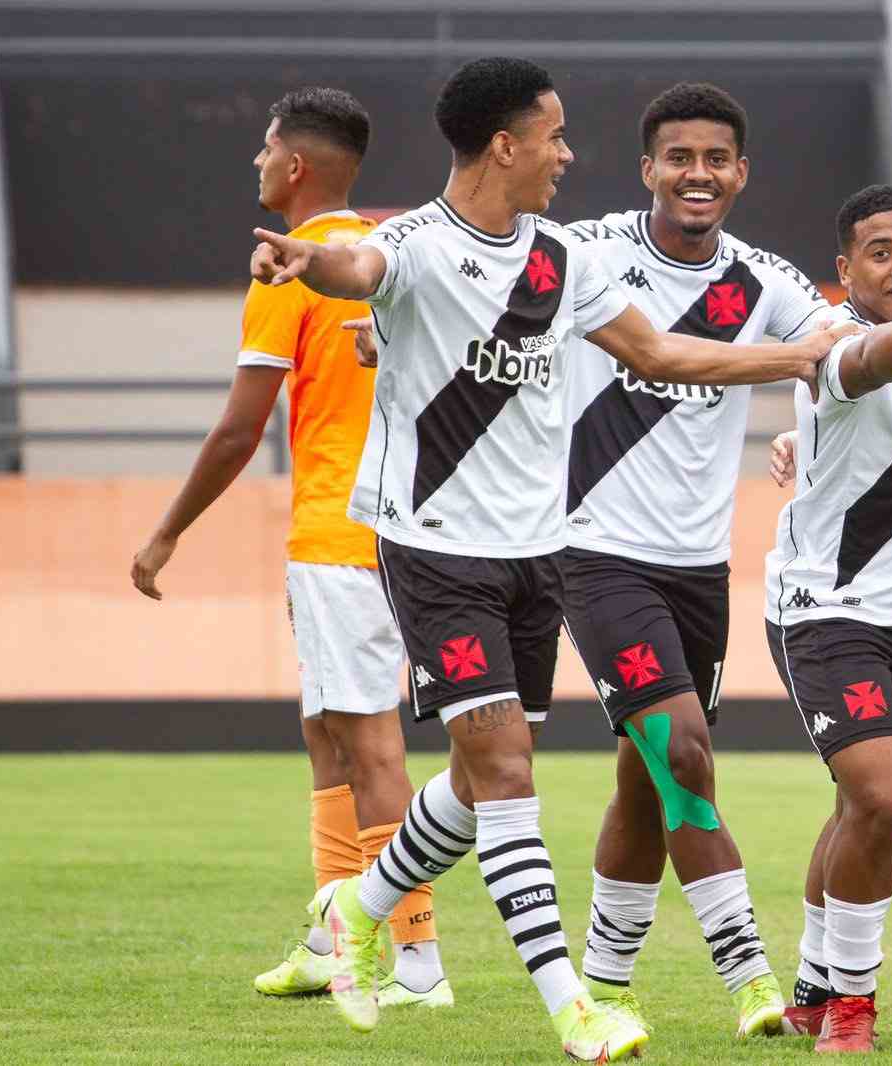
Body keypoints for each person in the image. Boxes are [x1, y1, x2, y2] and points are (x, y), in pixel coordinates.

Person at [248, 57, 853, 1062]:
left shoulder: (561, 262)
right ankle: (576, 1003)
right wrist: (304, 263)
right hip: (434, 549)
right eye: (555, 135)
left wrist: (801, 359)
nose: (568, 154)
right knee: (509, 769)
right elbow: (357, 270)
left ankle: (358, 903)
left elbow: (661, 355)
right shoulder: (412, 245)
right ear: (504, 145)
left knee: (484, 784)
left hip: (537, 554)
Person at [129, 88, 449, 1007]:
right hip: (401, 530)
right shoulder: (389, 257)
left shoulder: (291, 269)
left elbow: (239, 430)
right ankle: (327, 937)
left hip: (338, 531)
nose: (258, 165)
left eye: (266, 151)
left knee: (368, 739)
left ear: (298, 165)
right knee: (326, 733)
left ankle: (420, 965)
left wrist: (164, 534)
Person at [556, 82, 834, 1040]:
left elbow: (839, 350)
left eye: (716, 159)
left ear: (741, 173)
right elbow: (487, 292)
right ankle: (752, 982)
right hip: (593, 553)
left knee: (649, 777)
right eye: (679, 157)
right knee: (682, 753)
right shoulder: (589, 254)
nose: (698, 175)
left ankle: (607, 984)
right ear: (648, 169)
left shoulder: (765, 281)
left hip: (697, 568)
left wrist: (812, 432)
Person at [761, 184, 892, 1054]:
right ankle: (853, 1006)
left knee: (868, 807)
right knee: (881, 793)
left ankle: (811, 983)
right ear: (845, 273)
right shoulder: (838, 342)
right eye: (879, 253)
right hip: (822, 609)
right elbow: (863, 366)